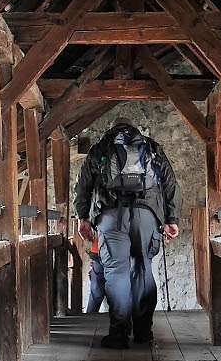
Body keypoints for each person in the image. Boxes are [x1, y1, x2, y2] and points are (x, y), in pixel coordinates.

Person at [73, 119, 180, 349]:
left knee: (117, 273)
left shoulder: (100, 148)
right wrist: (172, 219)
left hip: (111, 216)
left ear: (111, 129)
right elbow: (170, 184)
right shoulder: (151, 147)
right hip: (147, 215)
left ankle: (119, 334)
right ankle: (143, 332)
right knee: (143, 268)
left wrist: (83, 219)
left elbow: (82, 187)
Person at [84, 227, 107, 314]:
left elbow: (82, 229)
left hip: (98, 252)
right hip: (119, 254)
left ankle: (89, 318)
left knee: (96, 292)